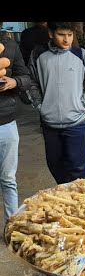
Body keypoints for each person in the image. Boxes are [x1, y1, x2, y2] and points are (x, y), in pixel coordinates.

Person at [28, 22, 85, 185]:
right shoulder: (38, 55)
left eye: (70, 35)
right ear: (51, 33)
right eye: (61, 35)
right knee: (55, 165)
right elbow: (31, 82)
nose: (66, 39)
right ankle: (64, 199)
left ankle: (78, 203)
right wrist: (41, 106)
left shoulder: (81, 55)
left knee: (78, 170)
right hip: (49, 123)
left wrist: (80, 105)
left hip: (76, 123)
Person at [0, 37, 31, 220]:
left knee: (8, 178)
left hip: (6, 123)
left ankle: (11, 222)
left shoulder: (10, 46)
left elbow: (26, 78)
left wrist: (14, 82)